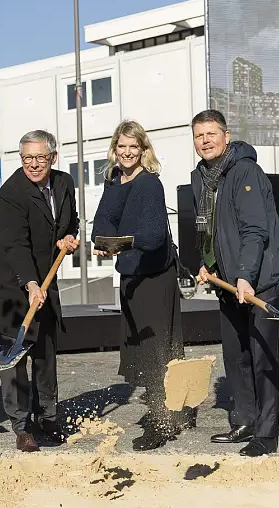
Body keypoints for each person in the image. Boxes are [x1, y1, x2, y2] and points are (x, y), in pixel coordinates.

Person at [191, 109, 279, 457]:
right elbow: (206, 229)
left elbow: (255, 230)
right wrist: (206, 265)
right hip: (228, 282)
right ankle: (246, 421)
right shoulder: (201, 178)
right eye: (198, 135)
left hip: (258, 279)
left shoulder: (245, 171)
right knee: (235, 355)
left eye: (211, 134)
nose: (205, 140)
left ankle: (267, 433)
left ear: (226, 135)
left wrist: (246, 277)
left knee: (263, 355)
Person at [91, 120, 191, 451]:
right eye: (122, 146)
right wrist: (106, 242)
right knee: (140, 349)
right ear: (114, 149)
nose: (127, 152)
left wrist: (122, 241)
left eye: (134, 146)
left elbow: (153, 236)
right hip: (131, 274)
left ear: (143, 149)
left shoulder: (150, 184)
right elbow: (102, 222)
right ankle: (164, 409)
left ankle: (163, 421)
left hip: (155, 276)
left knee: (158, 349)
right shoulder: (113, 181)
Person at [0, 129, 79, 453]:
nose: (34, 164)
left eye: (40, 158)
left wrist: (67, 238)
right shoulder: (11, 192)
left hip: (44, 283)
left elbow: (69, 222)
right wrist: (30, 284)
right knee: (14, 361)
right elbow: (15, 244)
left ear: (53, 157)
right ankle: (22, 426)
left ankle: (48, 417)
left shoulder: (64, 183)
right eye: (27, 158)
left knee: (46, 354)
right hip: (11, 286)